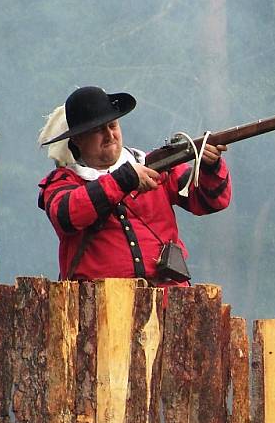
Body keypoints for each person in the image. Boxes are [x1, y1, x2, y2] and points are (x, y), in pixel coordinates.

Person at [37, 86, 231, 286]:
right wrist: (124, 179)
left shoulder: (154, 165)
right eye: (97, 129)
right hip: (99, 305)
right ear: (77, 139)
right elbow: (66, 215)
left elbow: (211, 202)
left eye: (112, 125)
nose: (109, 135)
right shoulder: (63, 181)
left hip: (168, 302)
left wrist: (210, 166)